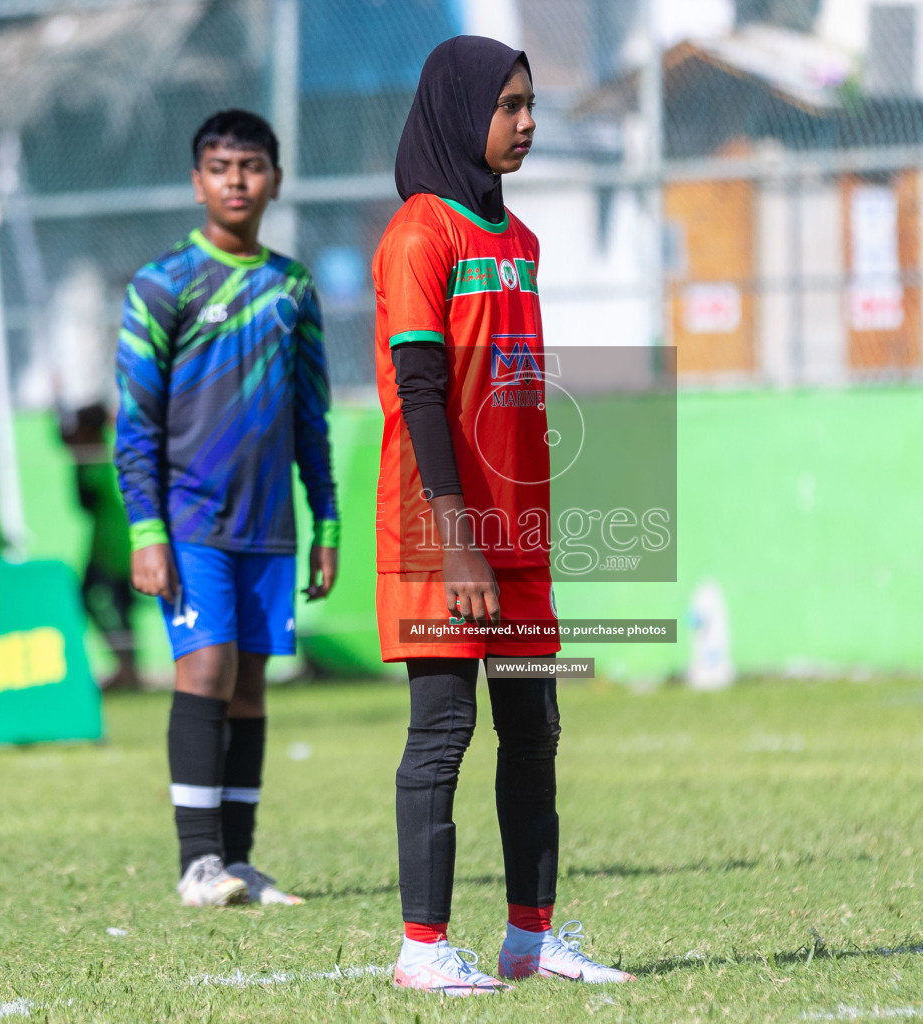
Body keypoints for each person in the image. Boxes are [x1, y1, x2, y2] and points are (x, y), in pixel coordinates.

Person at [373, 37, 634, 994]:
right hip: (442, 532)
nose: (527, 122)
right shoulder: (419, 234)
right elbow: (422, 387)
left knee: (535, 731)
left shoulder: (519, 241)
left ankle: (531, 939)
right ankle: (422, 949)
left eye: (532, 105)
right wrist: (457, 536)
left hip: (517, 535)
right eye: (509, 105)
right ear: (458, 110)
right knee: (443, 732)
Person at [115, 109, 340, 908]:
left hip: (271, 526)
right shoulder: (163, 283)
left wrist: (328, 522)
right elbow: (135, 422)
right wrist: (146, 530)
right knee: (204, 666)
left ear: (275, 179)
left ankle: (237, 864)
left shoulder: (293, 287)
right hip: (190, 522)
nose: (236, 179)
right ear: (196, 180)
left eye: (251, 165)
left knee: (249, 686)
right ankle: (197, 863)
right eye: (219, 165)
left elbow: (312, 416)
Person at [64, 403, 141, 692]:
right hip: (120, 540)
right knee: (120, 606)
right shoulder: (112, 452)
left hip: (109, 545)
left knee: (94, 599)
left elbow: (85, 502)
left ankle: (127, 666)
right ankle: (129, 668)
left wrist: (76, 459)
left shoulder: (94, 457)